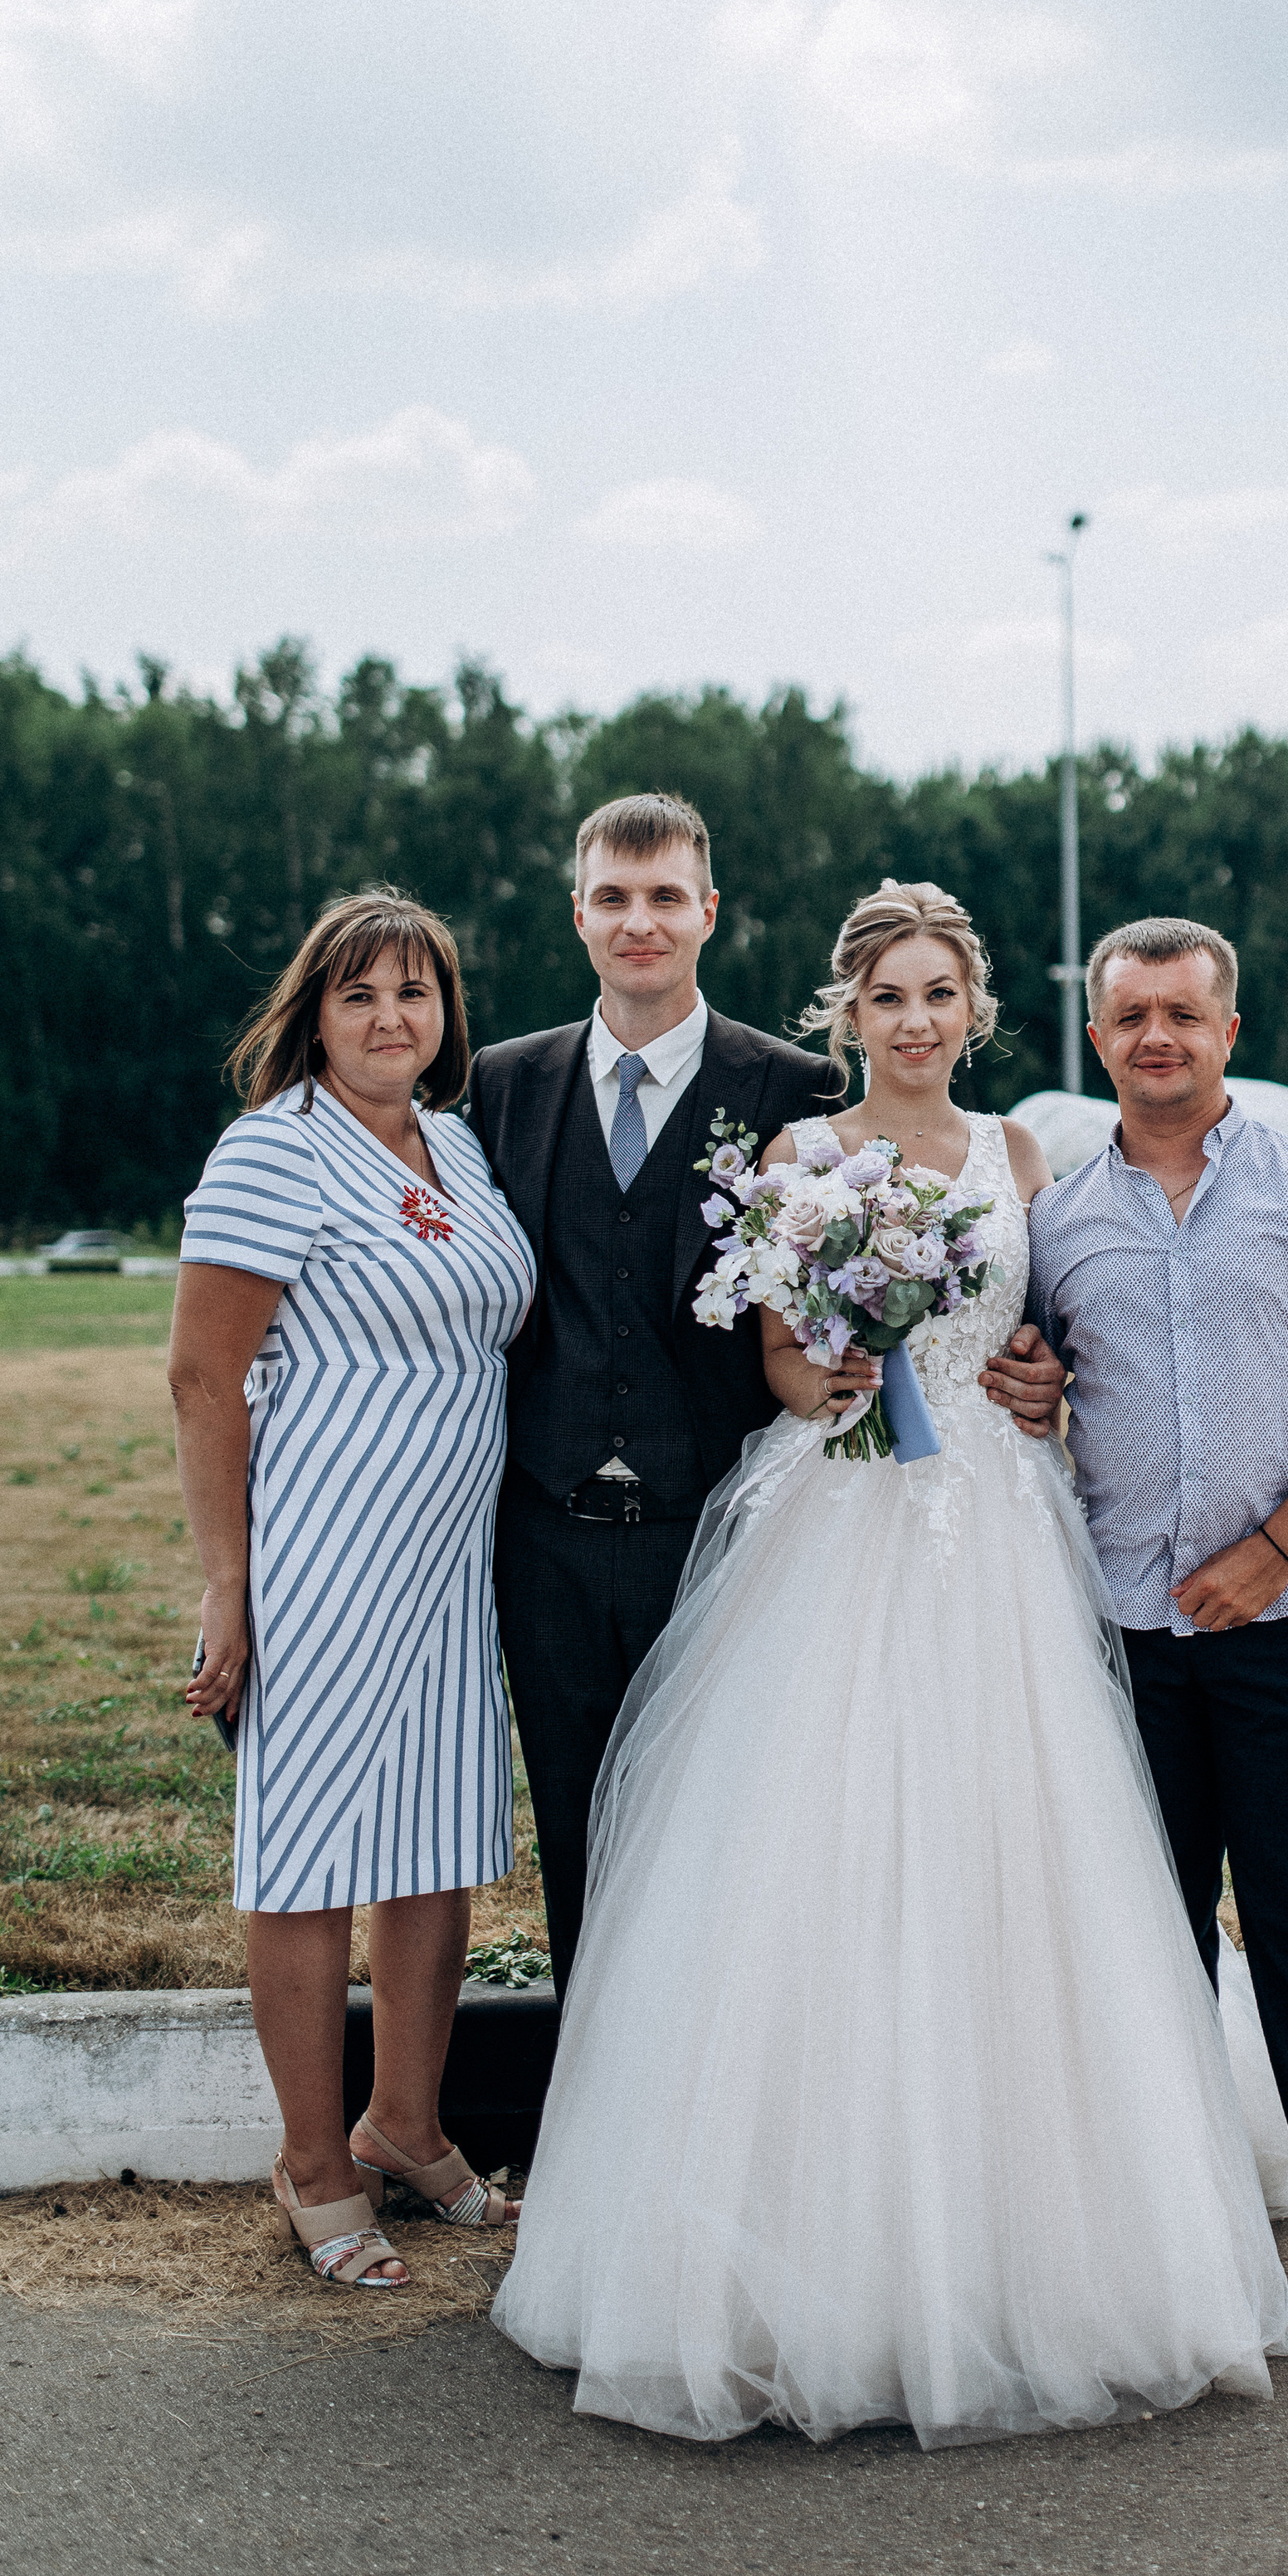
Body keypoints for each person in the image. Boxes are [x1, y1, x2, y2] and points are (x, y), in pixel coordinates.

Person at [493, 881, 1288, 2446]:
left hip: (994, 1520)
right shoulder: (803, 1159)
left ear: (972, 1012)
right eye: (887, 999)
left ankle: (1032, 2241)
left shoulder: (1018, 1156)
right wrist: (828, 1369)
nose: (914, 1022)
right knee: (817, 1850)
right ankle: (811, 2247)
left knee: (1014, 1849)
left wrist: (1040, 1376)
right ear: (844, 1018)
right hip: (844, 1516)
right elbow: (782, 1364)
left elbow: (1047, 1333)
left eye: (939, 996)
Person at [1014, 915, 1288, 2360]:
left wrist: (1273, 1553)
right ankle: (1180, 2240)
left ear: (1227, 1034)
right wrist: (1024, 1382)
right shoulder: (1058, 1223)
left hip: (1274, 1629)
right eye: (1130, 1016)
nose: (1157, 1039)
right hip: (1124, 1638)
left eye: (1182, 1016)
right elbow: (1033, 1392)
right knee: (1154, 1942)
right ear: (1098, 1040)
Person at [169, 892, 536, 2291]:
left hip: (449, 1557)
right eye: (362, 994)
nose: (393, 1017)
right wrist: (231, 1583)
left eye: (418, 993)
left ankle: (406, 2125)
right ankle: (316, 2166)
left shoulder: (454, 1145)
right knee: (311, 1858)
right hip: (323, 1552)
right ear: (314, 1014)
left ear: (446, 1014)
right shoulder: (273, 1155)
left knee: (437, 1848)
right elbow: (205, 1375)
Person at [466, 793, 842, 1994]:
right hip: (545, 1533)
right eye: (615, 899)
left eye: (665, 896)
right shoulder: (495, 1088)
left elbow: (867, 1277)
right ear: (579, 914)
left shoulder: (797, 1090)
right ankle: (593, 2133)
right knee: (576, 1839)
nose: (641, 921)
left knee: (726, 1837)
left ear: (707, 914)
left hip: (723, 1527)